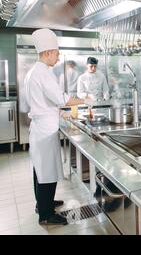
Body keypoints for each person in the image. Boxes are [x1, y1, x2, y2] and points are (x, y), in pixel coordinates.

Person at [24, 28, 94, 225]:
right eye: (56, 52)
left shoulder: (34, 72)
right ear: (47, 53)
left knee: (41, 170)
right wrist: (85, 100)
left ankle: (43, 203)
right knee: (46, 171)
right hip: (45, 129)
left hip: (41, 127)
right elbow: (61, 98)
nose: (58, 56)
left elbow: (46, 102)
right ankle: (46, 215)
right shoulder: (43, 73)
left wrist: (59, 112)